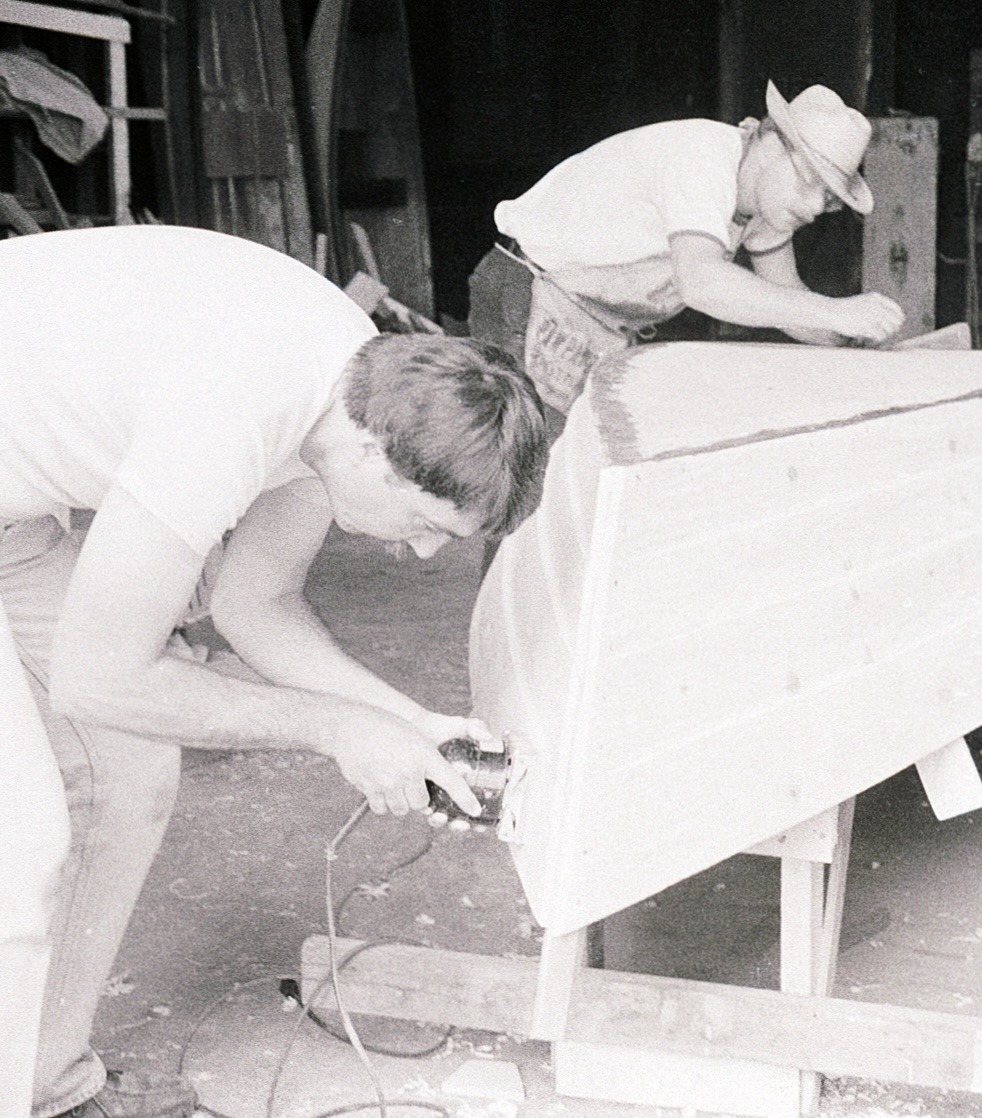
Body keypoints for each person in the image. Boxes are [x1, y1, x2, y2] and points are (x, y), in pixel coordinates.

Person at [0, 224, 549, 1118]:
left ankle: (42, 1086)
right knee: (20, 846)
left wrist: (405, 722)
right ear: (378, 456)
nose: (418, 554)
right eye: (428, 525)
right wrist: (333, 729)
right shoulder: (230, 411)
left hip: (10, 505)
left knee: (130, 773)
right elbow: (97, 680)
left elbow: (257, 603)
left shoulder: (350, 392)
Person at [468, 80, 907, 418]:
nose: (813, 207)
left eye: (828, 199)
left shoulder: (764, 206)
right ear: (771, 142)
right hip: (529, 297)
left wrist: (853, 342)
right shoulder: (702, 157)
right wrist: (834, 311)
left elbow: (790, 300)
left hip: (594, 322)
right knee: (532, 488)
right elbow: (701, 283)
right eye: (809, 182)